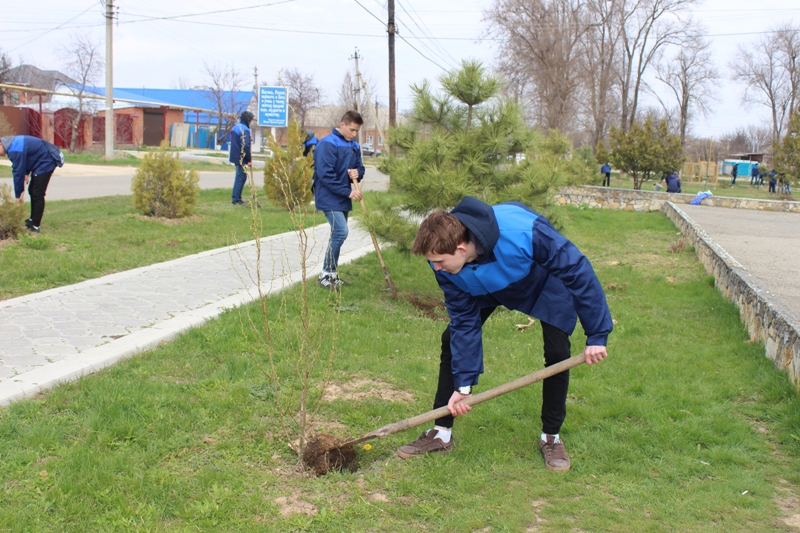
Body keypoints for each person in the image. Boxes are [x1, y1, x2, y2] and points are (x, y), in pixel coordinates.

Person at [396, 196, 613, 472]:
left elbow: (576, 269)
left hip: (540, 280)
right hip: (482, 285)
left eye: (439, 261)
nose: (435, 268)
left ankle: (551, 437)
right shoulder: (444, 261)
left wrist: (597, 334)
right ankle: (441, 433)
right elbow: (464, 321)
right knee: (451, 340)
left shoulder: (524, 231)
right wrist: (464, 386)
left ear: (461, 248)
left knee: (558, 351)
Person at [312, 110, 365, 290]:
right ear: (342, 124)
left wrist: (358, 173)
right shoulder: (327, 144)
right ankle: (325, 274)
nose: (354, 134)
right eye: (352, 129)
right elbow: (325, 175)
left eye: (357, 131)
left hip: (342, 197)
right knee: (341, 232)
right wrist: (348, 192)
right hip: (329, 196)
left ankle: (332, 275)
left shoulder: (354, 146)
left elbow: (359, 168)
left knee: (337, 235)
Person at [0, 135, 63, 233]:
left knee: (37, 193)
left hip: (46, 161)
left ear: (0, 144)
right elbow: (28, 155)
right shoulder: (13, 144)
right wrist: (26, 172)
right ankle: (32, 220)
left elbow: (18, 172)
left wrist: (18, 196)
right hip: (39, 161)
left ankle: (36, 225)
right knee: (32, 190)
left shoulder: (14, 149)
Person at [229, 110, 254, 206]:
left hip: (235, 155)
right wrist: (249, 160)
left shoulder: (237, 126)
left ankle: (237, 198)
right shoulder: (245, 129)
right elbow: (246, 146)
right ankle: (236, 199)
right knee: (240, 177)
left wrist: (248, 138)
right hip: (241, 156)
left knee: (241, 176)